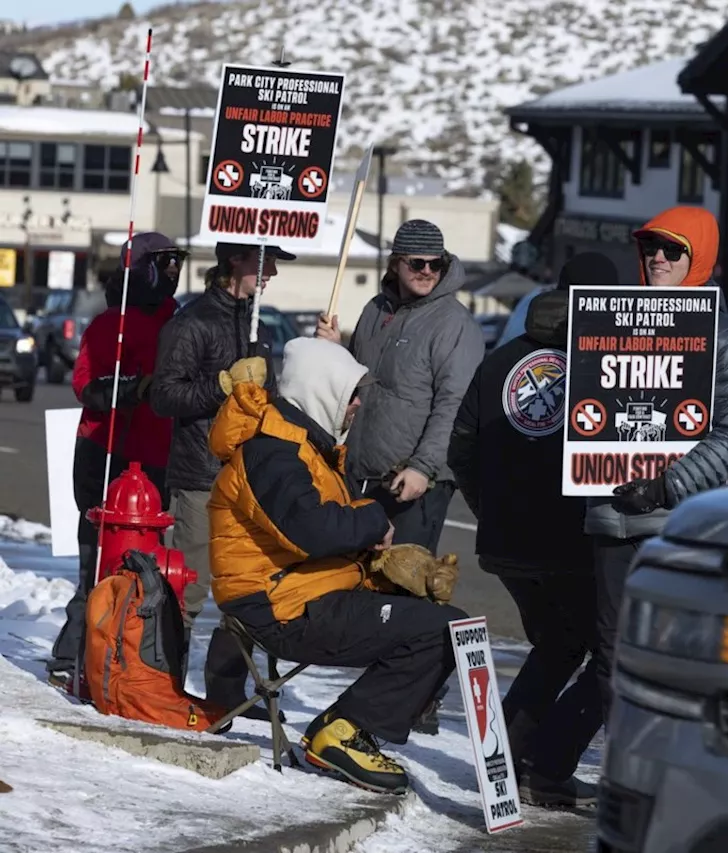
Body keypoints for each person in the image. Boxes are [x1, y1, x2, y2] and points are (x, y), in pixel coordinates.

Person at [207, 336, 466, 795]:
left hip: (301, 592)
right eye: (351, 393)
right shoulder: (273, 452)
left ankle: (348, 727)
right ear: (321, 390)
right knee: (441, 629)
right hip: (281, 608)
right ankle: (342, 731)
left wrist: (385, 567)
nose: (358, 403)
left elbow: (317, 534)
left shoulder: (303, 448)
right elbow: (312, 531)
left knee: (444, 619)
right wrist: (373, 520)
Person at [448, 252, 619, 808]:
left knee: (558, 644)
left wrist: (491, 507)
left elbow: (463, 448)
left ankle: (516, 758)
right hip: (573, 540)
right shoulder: (603, 362)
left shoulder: (501, 361)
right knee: (615, 655)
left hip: (507, 543)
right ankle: (547, 761)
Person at [588, 206, 728, 720]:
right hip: (610, 517)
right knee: (610, 655)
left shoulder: (723, 338)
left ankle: (662, 772)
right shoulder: (610, 321)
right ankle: (610, 769)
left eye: (672, 249)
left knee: (674, 656)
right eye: (649, 248)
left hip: (678, 522)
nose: (657, 258)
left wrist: (668, 486)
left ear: (699, 256)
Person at [150, 242, 291, 712]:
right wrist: (222, 385)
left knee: (248, 594)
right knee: (185, 594)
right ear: (236, 260)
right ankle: (164, 689)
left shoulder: (259, 326)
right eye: (264, 260)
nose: (271, 271)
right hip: (200, 478)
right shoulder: (192, 322)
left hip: (249, 482)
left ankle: (228, 695)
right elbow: (165, 396)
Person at [47, 232, 183, 685]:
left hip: (158, 459)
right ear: (140, 268)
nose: (173, 271)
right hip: (105, 453)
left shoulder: (176, 320)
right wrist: (131, 388)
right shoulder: (110, 325)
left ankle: (131, 657)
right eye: (164, 263)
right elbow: (86, 386)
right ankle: (73, 655)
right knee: (97, 562)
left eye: (177, 262)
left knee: (149, 569)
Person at [316, 220, 484, 555]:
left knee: (402, 588)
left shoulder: (453, 323)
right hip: (360, 474)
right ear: (396, 262)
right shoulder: (375, 310)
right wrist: (335, 351)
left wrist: (423, 468)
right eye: (416, 263)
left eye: (436, 264)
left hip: (414, 481)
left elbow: (454, 404)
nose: (427, 271)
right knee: (354, 583)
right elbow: (356, 383)